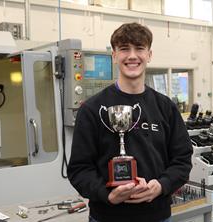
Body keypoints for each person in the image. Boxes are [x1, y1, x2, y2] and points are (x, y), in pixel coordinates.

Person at [67, 22, 193, 222]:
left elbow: (182, 160)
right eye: (124, 49)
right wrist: (107, 194)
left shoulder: (166, 107)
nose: (132, 56)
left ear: (149, 55)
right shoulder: (92, 109)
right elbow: (79, 169)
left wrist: (161, 186)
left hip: (157, 215)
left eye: (139, 48)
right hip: (107, 217)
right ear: (114, 56)